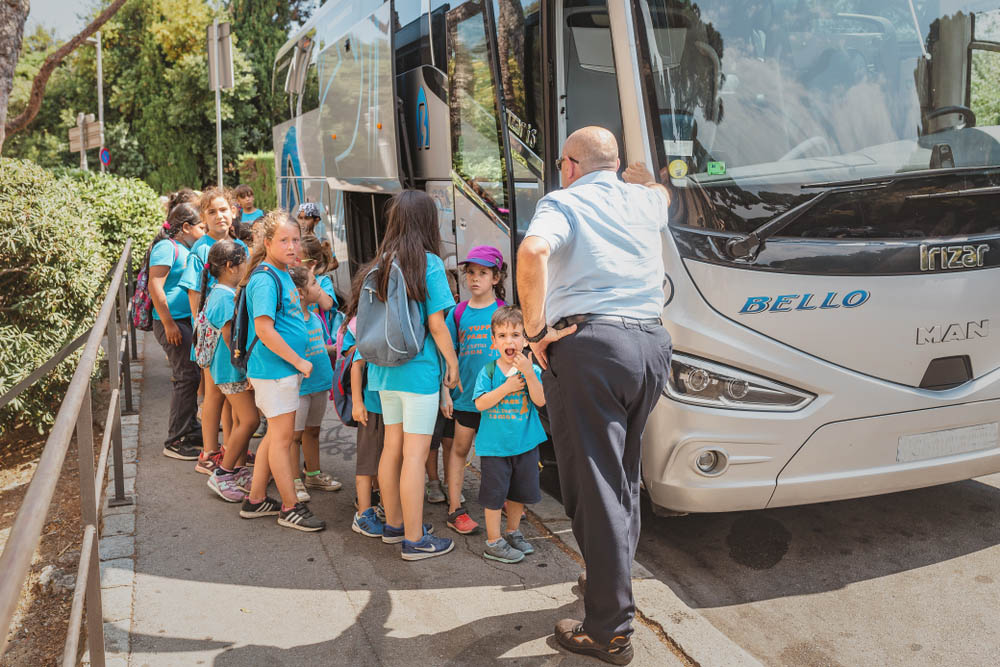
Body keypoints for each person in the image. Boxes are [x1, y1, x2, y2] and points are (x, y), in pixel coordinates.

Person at [517, 126, 672, 664]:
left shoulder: (562, 201)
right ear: (616, 165)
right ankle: (607, 582)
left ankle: (608, 630)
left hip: (592, 349)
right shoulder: (645, 202)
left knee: (595, 485)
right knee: (623, 476)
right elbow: (662, 194)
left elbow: (533, 251)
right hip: (651, 345)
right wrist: (645, 179)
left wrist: (535, 332)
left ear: (569, 165)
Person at [363, 190, 459, 560]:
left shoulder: (383, 261)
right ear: (428, 222)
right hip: (418, 373)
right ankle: (416, 540)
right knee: (416, 457)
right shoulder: (428, 263)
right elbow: (436, 322)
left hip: (384, 371)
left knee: (392, 449)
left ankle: (395, 525)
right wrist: (451, 361)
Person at [237, 211, 325, 533]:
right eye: (284, 241)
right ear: (268, 242)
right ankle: (290, 506)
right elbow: (263, 329)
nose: (292, 246)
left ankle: (256, 499)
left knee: (275, 436)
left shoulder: (283, 272)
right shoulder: (265, 278)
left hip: (279, 371)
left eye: (295, 240)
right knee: (283, 440)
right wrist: (299, 361)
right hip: (275, 371)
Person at [442, 245, 507, 535]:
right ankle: (455, 508)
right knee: (459, 450)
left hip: (499, 398)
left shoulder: (504, 312)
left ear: (496, 277)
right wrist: (445, 392)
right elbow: (448, 355)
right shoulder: (457, 313)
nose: (474, 279)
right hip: (466, 398)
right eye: (470, 273)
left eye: (483, 273)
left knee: (498, 452)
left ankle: (500, 499)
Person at [472, 306, 545, 563]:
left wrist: (527, 372)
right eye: (502, 336)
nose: (509, 340)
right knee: (494, 496)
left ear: (525, 340)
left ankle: (513, 532)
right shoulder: (489, 371)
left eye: (515, 334)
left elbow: (540, 400)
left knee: (518, 493)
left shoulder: (531, 371)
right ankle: (494, 541)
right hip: (495, 448)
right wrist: (506, 388)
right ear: (494, 342)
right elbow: (480, 403)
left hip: (524, 445)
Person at [180, 188, 245, 474]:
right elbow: (195, 293)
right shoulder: (201, 248)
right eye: (212, 211)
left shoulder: (237, 243)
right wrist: (200, 331)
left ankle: (232, 449)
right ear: (203, 218)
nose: (219, 216)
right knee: (214, 396)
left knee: (231, 395)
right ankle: (208, 452)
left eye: (223, 210)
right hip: (213, 334)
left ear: (233, 211)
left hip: (233, 328)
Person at [196, 240, 259, 502]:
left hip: (228, 371)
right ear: (232, 267)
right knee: (250, 420)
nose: (247, 266)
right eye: (244, 261)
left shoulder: (219, 291)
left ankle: (238, 469)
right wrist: (247, 368)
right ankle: (223, 473)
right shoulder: (223, 297)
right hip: (230, 372)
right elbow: (229, 336)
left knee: (247, 420)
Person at [147, 202, 206, 460]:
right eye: (201, 227)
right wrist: (169, 323)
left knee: (192, 375)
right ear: (185, 227)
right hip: (171, 323)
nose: (204, 231)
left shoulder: (183, 248)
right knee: (185, 377)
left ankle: (190, 428)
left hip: (183, 321)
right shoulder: (166, 248)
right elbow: (155, 286)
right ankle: (174, 440)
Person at [287, 265, 341, 502]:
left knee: (313, 431)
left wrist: (340, 348)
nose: (318, 289)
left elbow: (320, 346)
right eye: (314, 284)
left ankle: (313, 474)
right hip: (299, 388)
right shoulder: (290, 320)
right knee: (293, 437)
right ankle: (293, 480)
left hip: (319, 383)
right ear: (299, 292)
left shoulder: (316, 317)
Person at [341, 269, 386, 536]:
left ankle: (379, 503)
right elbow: (356, 365)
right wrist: (358, 403)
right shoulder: (365, 324)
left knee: (383, 458)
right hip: (371, 404)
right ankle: (364, 513)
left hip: (387, 404)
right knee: (368, 462)